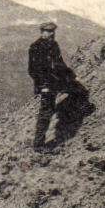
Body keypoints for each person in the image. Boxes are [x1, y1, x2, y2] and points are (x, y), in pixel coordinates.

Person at [29, 21, 92, 149]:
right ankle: (38, 144)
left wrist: (72, 77)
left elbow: (60, 64)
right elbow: (33, 70)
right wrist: (43, 87)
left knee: (79, 90)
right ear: (42, 32)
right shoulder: (36, 47)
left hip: (58, 81)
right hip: (47, 85)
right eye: (48, 31)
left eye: (53, 32)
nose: (51, 34)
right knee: (46, 113)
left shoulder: (54, 45)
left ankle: (77, 112)